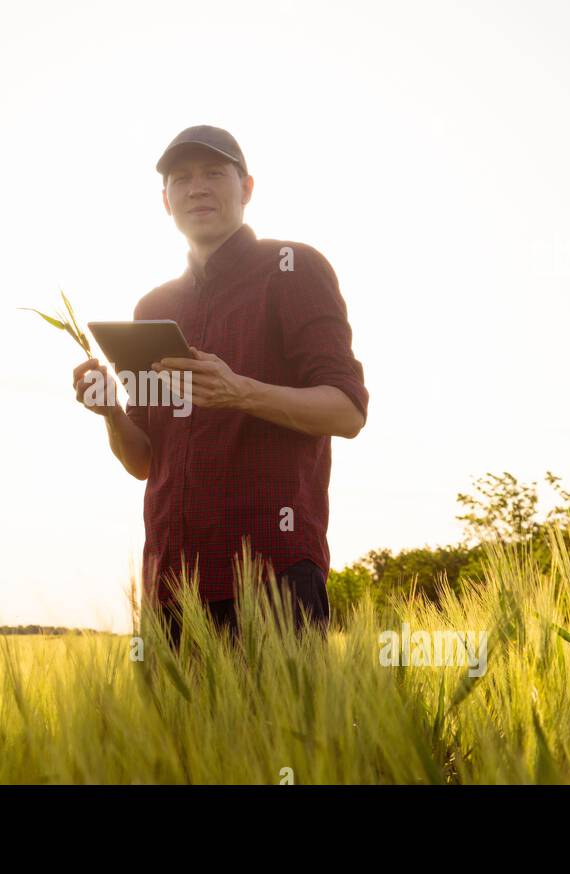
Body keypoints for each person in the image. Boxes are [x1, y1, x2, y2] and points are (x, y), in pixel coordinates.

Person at [71, 125, 370, 650]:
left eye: (214, 173)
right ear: (165, 202)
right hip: (171, 585)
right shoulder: (152, 308)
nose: (197, 188)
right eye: (181, 179)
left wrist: (241, 392)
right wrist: (112, 413)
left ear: (247, 187)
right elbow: (144, 460)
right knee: (173, 737)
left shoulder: (294, 268)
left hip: (273, 578)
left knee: (280, 735)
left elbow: (347, 412)